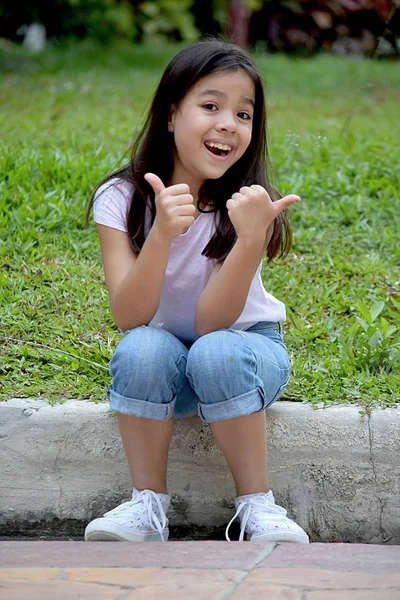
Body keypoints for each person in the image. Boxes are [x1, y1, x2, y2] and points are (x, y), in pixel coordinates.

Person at [84, 38, 309, 544]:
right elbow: (130, 315)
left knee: (216, 352)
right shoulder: (120, 198)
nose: (230, 123)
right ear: (170, 115)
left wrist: (252, 238)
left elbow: (213, 325)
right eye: (211, 106)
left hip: (244, 352)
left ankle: (258, 507)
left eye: (244, 114)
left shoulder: (250, 207)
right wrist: (161, 234)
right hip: (165, 364)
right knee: (139, 347)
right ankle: (146, 507)